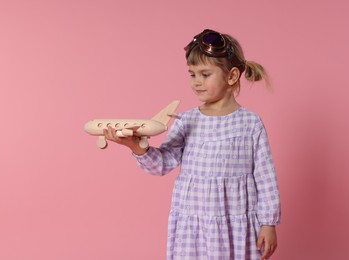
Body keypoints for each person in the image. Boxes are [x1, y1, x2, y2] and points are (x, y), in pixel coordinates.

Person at [104, 29, 281, 260]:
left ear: (232, 76)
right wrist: (137, 147)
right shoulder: (186, 120)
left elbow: (265, 177)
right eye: (192, 75)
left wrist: (269, 223)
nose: (196, 82)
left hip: (234, 225)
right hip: (193, 225)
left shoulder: (250, 123)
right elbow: (163, 163)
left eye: (205, 74)